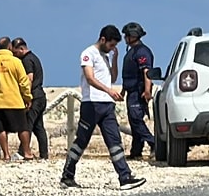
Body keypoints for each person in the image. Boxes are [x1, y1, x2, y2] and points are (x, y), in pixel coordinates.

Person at [61, 25, 146, 191]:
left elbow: (112, 77)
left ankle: (125, 177)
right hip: (92, 104)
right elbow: (90, 78)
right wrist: (109, 91)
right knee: (81, 141)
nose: (112, 48)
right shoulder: (88, 54)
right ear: (103, 40)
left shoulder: (106, 56)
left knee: (114, 141)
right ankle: (67, 175)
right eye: (111, 45)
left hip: (107, 106)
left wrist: (114, 59)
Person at [0, 36, 33, 161]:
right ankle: (27, 152)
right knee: (23, 127)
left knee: (1, 128)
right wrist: (27, 97)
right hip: (15, 99)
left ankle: (6, 154)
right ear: (10, 46)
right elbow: (23, 82)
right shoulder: (16, 62)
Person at [120, 22, 156, 160]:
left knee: (136, 119)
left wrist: (147, 91)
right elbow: (129, 74)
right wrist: (123, 91)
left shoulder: (142, 52)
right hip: (130, 91)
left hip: (138, 91)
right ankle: (136, 151)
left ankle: (153, 143)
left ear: (132, 36)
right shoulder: (131, 52)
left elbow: (147, 72)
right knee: (133, 120)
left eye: (126, 36)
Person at [12, 37, 49, 160]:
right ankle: (44, 154)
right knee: (38, 127)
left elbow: (29, 79)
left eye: (16, 53)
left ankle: (24, 151)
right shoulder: (34, 58)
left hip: (34, 96)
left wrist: (26, 97)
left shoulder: (27, 60)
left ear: (21, 49)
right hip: (40, 96)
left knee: (27, 125)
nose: (15, 56)